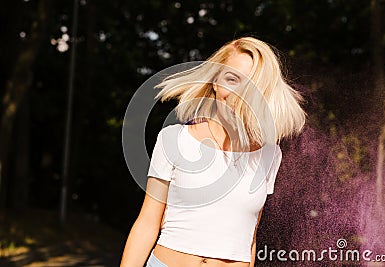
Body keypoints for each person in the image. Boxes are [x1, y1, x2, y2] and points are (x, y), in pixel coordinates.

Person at [120, 36, 306, 267]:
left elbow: (249, 236)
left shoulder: (269, 154)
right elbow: (148, 222)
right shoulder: (174, 139)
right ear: (215, 82)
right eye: (231, 79)